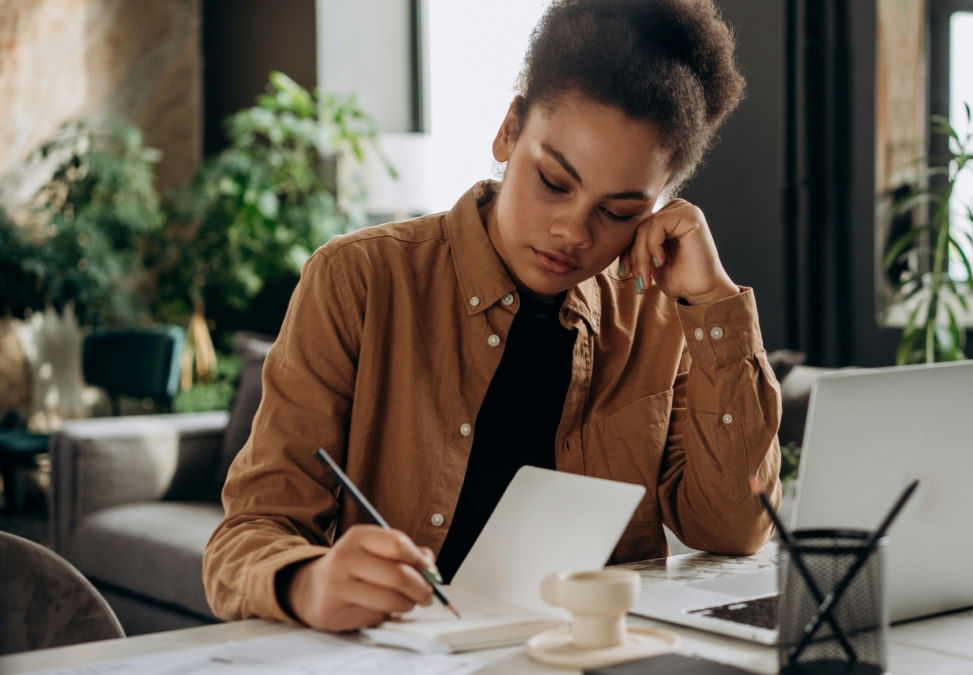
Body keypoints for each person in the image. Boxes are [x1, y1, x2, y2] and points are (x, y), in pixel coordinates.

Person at [203, 0, 782, 632]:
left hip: (585, 654)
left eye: (618, 212)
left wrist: (713, 301)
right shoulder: (358, 279)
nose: (572, 231)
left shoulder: (659, 315)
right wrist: (308, 581)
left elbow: (733, 527)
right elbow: (251, 531)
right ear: (509, 129)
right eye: (554, 181)